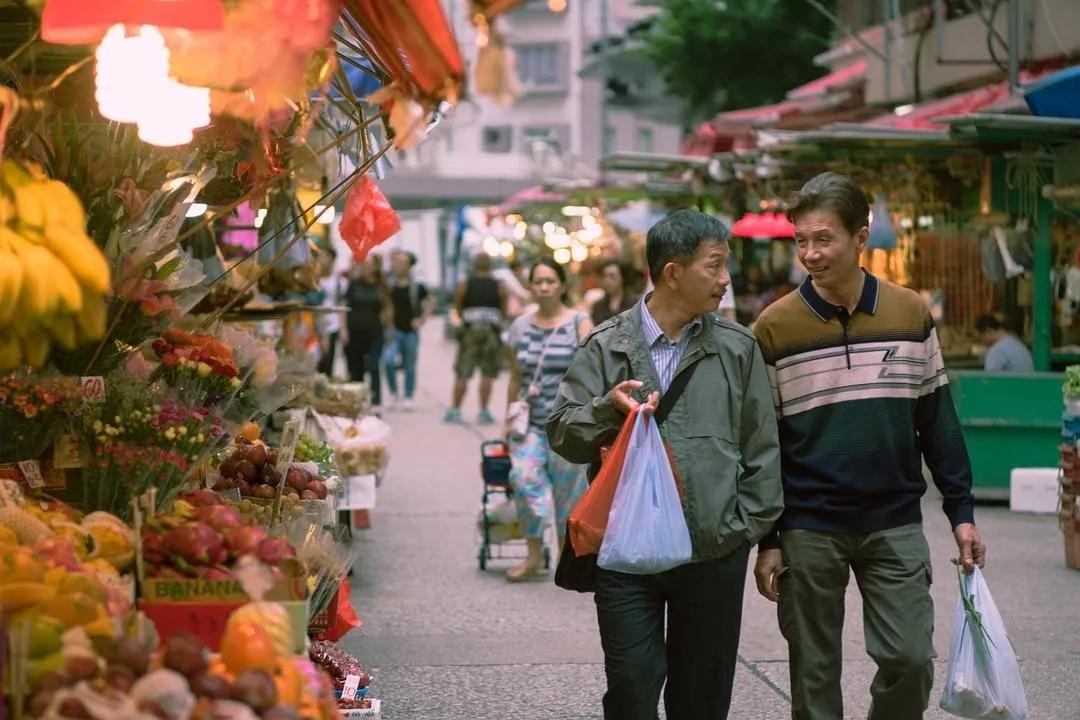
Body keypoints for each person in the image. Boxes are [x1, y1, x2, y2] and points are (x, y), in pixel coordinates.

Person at [752, 172, 987, 720]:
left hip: (894, 520)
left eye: (824, 239)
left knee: (910, 659)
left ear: (861, 237)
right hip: (809, 525)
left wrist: (963, 513)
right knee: (813, 674)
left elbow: (938, 422)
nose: (810, 253)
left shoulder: (909, 313)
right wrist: (768, 537)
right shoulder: (773, 327)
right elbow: (763, 443)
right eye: (801, 241)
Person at [546, 209, 783, 720]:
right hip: (625, 549)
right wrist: (605, 409)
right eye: (715, 266)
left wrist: (746, 528)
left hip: (712, 549)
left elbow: (763, 447)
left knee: (703, 694)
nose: (726, 280)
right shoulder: (607, 344)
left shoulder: (737, 349)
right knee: (632, 684)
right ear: (673, 273)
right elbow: (562, 433)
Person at [503, 258, 593, 582]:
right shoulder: (520, 326)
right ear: (530, 286)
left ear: (562, 286)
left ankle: (564, 558)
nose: (543, 287)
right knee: (525, 480)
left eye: (550, 281)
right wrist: (507, 417)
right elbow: (515, 376)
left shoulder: (579, 323)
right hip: (530, 426)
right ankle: (534, 553)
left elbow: (591, 374)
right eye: (538, 281)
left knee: (569, 496)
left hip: (568, 425)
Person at [446, 253, 507, 424]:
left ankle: (455, 409)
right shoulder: (498, 285)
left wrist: (464, 319)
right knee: (487, 373)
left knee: (463, 372)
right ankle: (483, 410)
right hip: (491, 331)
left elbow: (457, 305)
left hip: (470, 331)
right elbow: (504, 308)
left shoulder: (466, 284)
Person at [383, 250, 433, 410]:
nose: (397, 265)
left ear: (409, 266)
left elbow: (432, 301)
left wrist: (422, 319)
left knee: (410, 364)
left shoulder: (417, 287)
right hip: (393, 330)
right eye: (396, 262)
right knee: (388, 360)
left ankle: (408, 396)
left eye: (402, 262)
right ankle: (393, 392)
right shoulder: (389, 285)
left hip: (410, 331)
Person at [343, 254, 390, 409]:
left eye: (369, 264)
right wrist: (344, 329)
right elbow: (344, 306)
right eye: (363, 264)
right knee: (356, 368)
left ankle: (376, 403)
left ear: (375, 267)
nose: (365, 267)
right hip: (355, 331)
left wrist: (388, 325)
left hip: (375, 332)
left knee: (374, 365)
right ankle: (358, 402)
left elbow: (387, 307)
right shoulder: (354, 283)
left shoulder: (381, 285)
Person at [316, 247, 343, 377]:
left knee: (328, 360)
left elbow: (342, 304)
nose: (321, 259)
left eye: (325, 256)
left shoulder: (338, 280)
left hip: (332, 325)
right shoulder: (314, 279)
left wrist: (344, 328)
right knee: (315, 361)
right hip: (315, 325)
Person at [590, 260, 638, 326]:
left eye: (612, 276)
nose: (607, 281)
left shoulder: (635, 303)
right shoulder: (598, 306)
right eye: (604, 276)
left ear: (623, 277)